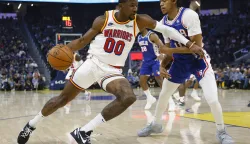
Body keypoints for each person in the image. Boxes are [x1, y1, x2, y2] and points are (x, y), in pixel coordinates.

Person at [17, 0, 203, 143]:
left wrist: (189, 43)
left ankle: (83, 132)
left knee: (128, 97)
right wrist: (66, 50)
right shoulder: (104, 19)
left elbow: (167, 30)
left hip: (112, 71)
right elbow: (82, 41)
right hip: (93, 64)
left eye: (136, 5)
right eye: (131, 5)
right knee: (62, 99)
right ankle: (31, 125)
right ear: (120, 6)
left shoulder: (140, 20)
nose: (134, 8)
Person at [137, 0, 234, 144]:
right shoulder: (163, 21)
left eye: (165, 0)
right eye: (160, 1)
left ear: (174, 1)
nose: (161, 4)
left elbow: (196, 47)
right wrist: (163, 65)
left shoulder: (188, 15)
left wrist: (168, 50)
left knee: (212, 99)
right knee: (164, 94)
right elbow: (169, 52)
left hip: (198, 60)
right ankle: (156, 124)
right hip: (180, 62)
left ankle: (222, 131)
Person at [137, 29, 164, 109]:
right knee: (142, 81)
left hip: (155, 60)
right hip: (146, 61)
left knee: (159, 79)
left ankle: (170, 101)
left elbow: (161, 45)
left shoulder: (152, 35)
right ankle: (149, 98)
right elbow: (145, 50)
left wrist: (161, 54)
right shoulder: (138, 37)